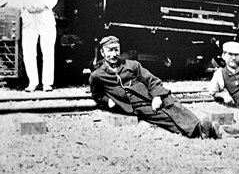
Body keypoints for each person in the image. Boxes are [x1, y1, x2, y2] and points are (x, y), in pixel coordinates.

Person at [90, 35, 220, 139]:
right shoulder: (97, 75)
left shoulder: (132, 65)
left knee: (171, 102)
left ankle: (202, 128)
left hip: (149, 95)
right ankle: (200, 131)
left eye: (116, 50)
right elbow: (97, 95)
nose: (113, 54)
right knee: (162, 116)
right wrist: (108, 101)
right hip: (133, 105)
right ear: (102, 52)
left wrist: (157, 96)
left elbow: (151, 79)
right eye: (109, 50)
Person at [15, 0, 58, 92]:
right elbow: (14, 0)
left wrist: (43, 5)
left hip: (44, 18)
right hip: (28, 19)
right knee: (28, 51)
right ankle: (32, 82)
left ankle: (47, 83)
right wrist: (25, 6)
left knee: (47, 51)